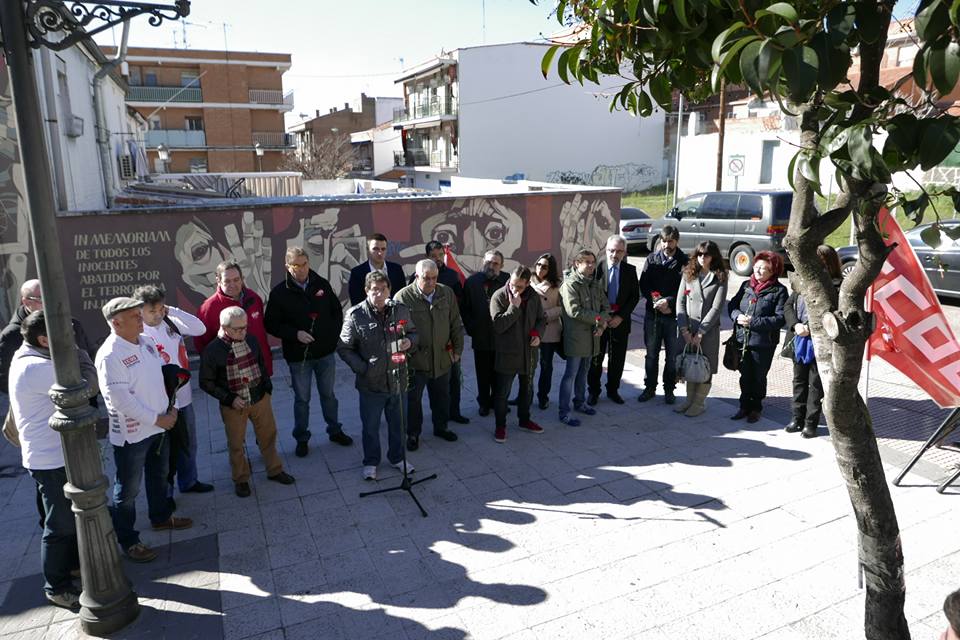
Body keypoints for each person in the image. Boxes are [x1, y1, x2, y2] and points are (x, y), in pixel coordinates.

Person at [9, 311, 97, 610]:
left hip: (53, 454)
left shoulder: (32, 356)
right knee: (58, 525)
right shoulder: (35, 368)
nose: (70, 339)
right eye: (64, 334)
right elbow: (86, 386)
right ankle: (56, 587)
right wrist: (82, 354)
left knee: (65, 519)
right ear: (44, 340)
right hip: (50, 459)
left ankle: (73, 568)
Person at [96, 297, 191, 564]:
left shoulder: (146, 342)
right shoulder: (110, 355)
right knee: (127, 490)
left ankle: (160, 517)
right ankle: (129, 540)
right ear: (116, 323)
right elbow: (120, 401)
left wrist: (169, 408)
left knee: (159, 475)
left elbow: (158, 380)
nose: (141, 319)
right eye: (134, 316)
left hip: (160, 425)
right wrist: (157, 419)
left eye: (139, 314)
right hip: (133, 434)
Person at [0, 278, 95, 530]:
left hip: (64, 431)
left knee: (64, 507)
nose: (50, 304)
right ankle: (59, 566)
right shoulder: (15, 339)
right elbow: (78, 383)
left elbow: (86, 352)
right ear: (26, 302)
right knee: (56, 514)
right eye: (43, 299)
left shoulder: (66, 323)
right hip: (43, 437)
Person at [265, 246, 352, 457]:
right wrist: (295, 334)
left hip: (325, 353)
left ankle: (335, 430)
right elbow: (271, 324)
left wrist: (331, 340)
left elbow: (336, 313)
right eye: (297, 265)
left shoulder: (320, 283)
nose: (302, 269)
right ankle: (302, 438)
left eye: (305, 264)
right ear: (288, 266)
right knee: (302, 399)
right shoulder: (279, 292)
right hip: (298, 357)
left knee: (328, 395)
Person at [199, 306, 295, 497]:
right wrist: (229, 398)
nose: (243, 332)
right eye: (237, 329)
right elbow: (205, 382)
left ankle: (274, 470)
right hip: (234, 405)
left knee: (268, 435)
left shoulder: (251, 339)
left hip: (259, 397)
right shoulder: (212, 350)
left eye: (245, 327)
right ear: (224, 328)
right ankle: (241, 479)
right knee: (236, 443)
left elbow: (261, 363)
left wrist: (267, 388)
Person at [133, 285, 214, 503]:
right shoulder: (139, 334)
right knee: (164, 452)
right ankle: (165, 495)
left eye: (161, 308)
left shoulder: (169, 322)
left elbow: (200, 329)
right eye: (152, 311)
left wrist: (173, 311)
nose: (158, 314)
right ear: (139, 311)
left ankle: (189, 481)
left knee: (188, 443)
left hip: (184, 397)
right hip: (160, 403)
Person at [337, 271, 418, 480]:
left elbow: (413, 332)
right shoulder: (355, 315)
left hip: (398, 380)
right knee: (370, 427)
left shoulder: (400, 310)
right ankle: (371, 461)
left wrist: (410, 342)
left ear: (389, 290)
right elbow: (344, 347)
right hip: (371, 385)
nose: (379, 294)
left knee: (399, 425)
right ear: (366, 291)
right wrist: (364, 368)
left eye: (383, 289)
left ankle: (397, 458)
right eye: (375, 290)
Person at [393, 259, 464, 450]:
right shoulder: (402, 297)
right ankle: (413, 434)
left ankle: (441, 427)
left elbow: (456, 323)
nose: (431, 282)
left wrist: (458, 350)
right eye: (427, 278)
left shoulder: (446, 292)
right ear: (417, 276)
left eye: (434, 278)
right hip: (416, 361)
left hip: (442, 358)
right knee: (413, 401)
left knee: (442, 396)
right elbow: (397, 331)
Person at [783, 244, 842, 438]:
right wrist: (796, 325)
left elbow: (837, 314)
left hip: (820, 342)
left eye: (821, 262)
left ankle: (811, 422)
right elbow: (789, 306)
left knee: (815, 384)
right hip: (799, 339)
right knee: (798, 381)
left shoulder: (837, 285)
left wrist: (813, 327)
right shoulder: (802, 282)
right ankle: (796, 418)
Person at [728, 251, 788, 423]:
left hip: (763, 343)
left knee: (759, 376)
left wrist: (753, 322)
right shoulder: (746, 285)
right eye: (757, 267)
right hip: (742, 339)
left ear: (773, 272)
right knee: (744, 374)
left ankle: (756, 407)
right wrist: (736, 316)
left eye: (764, 269)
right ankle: (743, 406)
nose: (759, 271)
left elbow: (780, 319)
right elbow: (732, 304)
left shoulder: (779, 291)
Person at [490, 266, 546, 443]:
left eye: (520, 287)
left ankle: (524, 420)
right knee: (502, 393)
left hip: (529, 353)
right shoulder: (499, 296)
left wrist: (537, 334)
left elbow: (541, 319)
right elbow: (498, 325)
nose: (515, 289)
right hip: (508, 354)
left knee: (527, 390)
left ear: (528, 284)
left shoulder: (533, 296)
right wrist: (513, 308)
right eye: (513, 285)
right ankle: (500, 426)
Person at [675, 241, 729, 417]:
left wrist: (701, 332)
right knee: (690, 363)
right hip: (688, 330)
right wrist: (684, 330)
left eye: (705, 255)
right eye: (699, 254)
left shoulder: (720, 277)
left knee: (705, 365)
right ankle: (689, 400)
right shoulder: (688, 273)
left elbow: (717, 308)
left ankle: (699, 403)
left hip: (708, 331)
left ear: (713, 256)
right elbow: (680, 303)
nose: (701, 258)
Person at [558, 250, 609, 426]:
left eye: (592, 262)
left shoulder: (594, 284)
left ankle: (580, 402)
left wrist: (601, 325)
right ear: (576, 264)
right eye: (586, 262)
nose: (590, 265)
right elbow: (574, 310)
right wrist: (598, 319)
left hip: (593, 337)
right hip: (576, 338)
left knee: (584, 373)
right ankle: (564, 411)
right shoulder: (570, 284)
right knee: (570, 375)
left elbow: (606, 306)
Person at [195, 259, 273, 376]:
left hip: (261, 369)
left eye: (236, 280)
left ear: (242, 279)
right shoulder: (208, 308)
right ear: (218, 281)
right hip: (231, 376)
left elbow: (261, 334)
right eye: (227, 281)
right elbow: (202, 345)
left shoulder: (254, 299)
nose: (233, 285)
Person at [588, 234, 640, 405]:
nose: (614, 255)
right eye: (611, 250)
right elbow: (591, 296)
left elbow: (634, 297)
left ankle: (613, 390)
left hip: (620, 322)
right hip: (599, 322)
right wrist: (601, 318)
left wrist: (621, 316)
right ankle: (593, 391)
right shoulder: (597, 268)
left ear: (624, 252)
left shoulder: (630, 271)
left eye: (619, 251)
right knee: (596, 358)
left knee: (617, 359)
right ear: (606, 250)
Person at [638, 225, 687, 404]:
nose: (667, 245)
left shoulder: (684, 261)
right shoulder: (652, 259)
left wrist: (670, 302)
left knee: (672, 357)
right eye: (664, 241)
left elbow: (686, 290)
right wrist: (656, 301)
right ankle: (649, 388)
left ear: (677, 241)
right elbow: (644, 284)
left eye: (671, 241)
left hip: (673, 317)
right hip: (653, 314)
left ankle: (669, 390)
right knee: (651, 354)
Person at [425, 240, 469, 425]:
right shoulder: (417, 276)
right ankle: (439, 415)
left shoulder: (452, 276)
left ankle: (454, 411)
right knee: (435, 381)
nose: (437, 259)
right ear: (427, 257)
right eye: (433, 256)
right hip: (429, 337)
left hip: (450, 333)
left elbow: (461, 302)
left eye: (439, 255)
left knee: (454, 376)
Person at [462, 250, 508, 416]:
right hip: (480, 335)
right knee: (482, 373)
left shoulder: (507, 280)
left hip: (502, 336)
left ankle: (499, 401)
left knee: (501, 372)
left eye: (496, 263)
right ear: (483, 262)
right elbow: (465, 309)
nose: (492, 265)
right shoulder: (472, 282)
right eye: (489, 262)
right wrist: (472, 328)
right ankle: (484, 403)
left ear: (501, 265)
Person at [530, 253, 563, 410]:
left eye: (544, 266)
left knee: (546, 366)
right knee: (528, 366)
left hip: (549, 330)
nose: (540, 268)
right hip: (530, 330)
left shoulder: (557, 285)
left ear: (551, 269)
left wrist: (546, 314)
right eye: (538, 264)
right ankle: (525, 396)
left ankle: (543, 397)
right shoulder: (528, 281)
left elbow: (562, 307)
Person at [348, 233, 407, 305]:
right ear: (367, 250)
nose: (380, 253)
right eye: (375, 249)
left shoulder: (396, 270)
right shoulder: (357, 273)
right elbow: (356, 301)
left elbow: (402, 296)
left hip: (393, 314)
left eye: (383, 249)